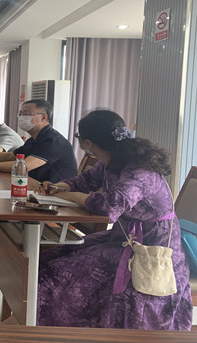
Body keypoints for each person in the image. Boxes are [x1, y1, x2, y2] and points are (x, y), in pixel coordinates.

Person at [35, 109, 193, 330]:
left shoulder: (139, 170)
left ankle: (60, 329)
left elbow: (109, 206)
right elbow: (86, 181)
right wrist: (59, 187)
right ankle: (43, 324)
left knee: (58, 271)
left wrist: (68, 196)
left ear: (87, 143)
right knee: (51, 256)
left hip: (151, 249)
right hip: (123, 238)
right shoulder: (112, 161)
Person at [0, 100, 76, 183]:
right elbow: (11, 156)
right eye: (21, 114)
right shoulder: (33, 139)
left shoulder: (53, 141)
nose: (22, 117)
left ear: (43, 117)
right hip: (35, 186)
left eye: (27, 114)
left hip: (56, 193)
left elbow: (24, 166)